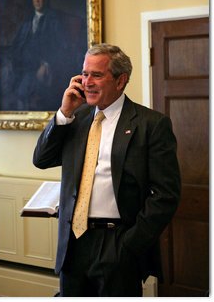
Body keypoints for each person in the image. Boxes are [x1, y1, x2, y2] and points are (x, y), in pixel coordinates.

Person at [33, 43, 181, 297]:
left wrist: (130, 245)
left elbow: (165, 195)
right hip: (73, 241)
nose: (87, 82)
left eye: (97, 75)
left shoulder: (151, 125)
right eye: (84, 74)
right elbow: (42, 159)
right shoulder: (75, 118)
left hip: (118, 242)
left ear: (121, 80)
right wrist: (64, 112)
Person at [10, 0, 79, 111]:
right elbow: (17, 46)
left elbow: (62, 48)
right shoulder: (28, 21)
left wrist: (47, 64)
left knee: (30, 90)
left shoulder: (54, 19)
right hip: (26, 68)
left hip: (44, 70)